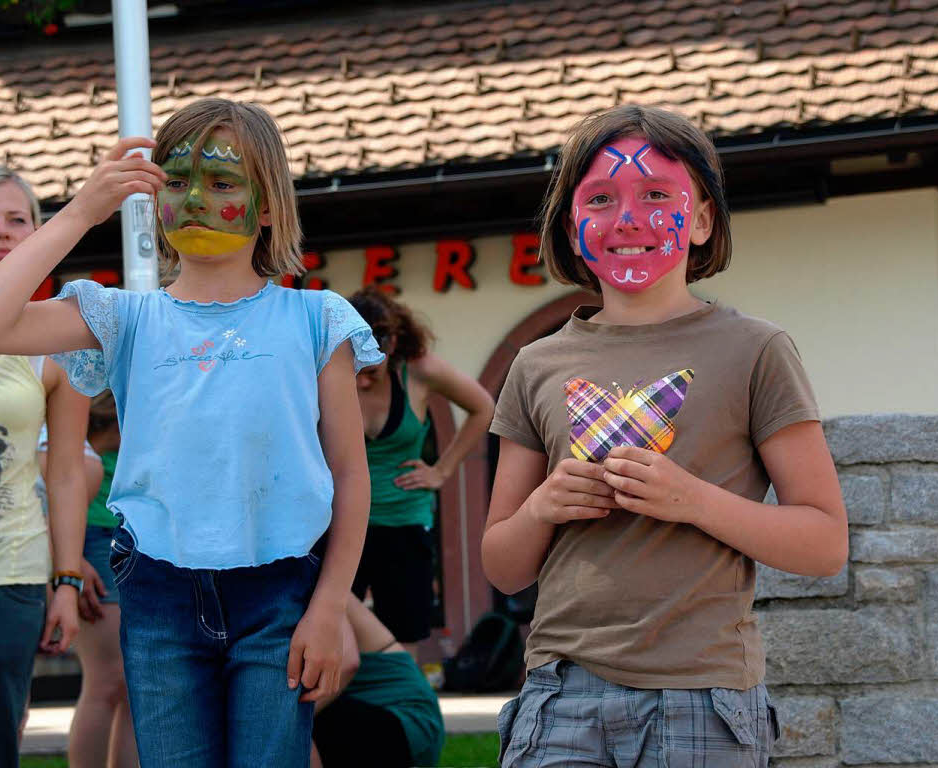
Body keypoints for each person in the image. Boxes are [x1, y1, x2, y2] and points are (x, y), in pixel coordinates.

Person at [0, 98, 380, 768]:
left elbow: (351, 477)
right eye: (176, 182)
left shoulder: (315, 319)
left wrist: (330, 607)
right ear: (153, 200)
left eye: (221, 182)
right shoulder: (123, 316)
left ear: (267, 205)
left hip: (281, 594)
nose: (194, 200)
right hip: (156, 595)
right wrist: (81, 211)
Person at [481, 105, 849, 767]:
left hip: (703, 696)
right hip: (560, 693)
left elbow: (825, 543)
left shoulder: (756, 349)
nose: (627, 217)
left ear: (703, 220)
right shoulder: (536, 364)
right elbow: (502, 566)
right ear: (572, 226)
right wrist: (543, 506)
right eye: (600, 198)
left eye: (656, 195)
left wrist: (694, 501)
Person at [0, 164, 89, 768]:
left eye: (17, 220)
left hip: (5, 574)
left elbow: (64, 473)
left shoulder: (62, 335)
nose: (2, 233)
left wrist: (66, 579)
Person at [348, 287, 494, 659]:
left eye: (372, 372)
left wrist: (442, 471)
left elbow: (483, 407)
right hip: (343, 524)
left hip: (403, 521)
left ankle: (407, 714)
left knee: (403, 636)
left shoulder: (420, 371)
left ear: (392, 344)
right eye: (356, 370)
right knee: (336, 631)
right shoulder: (330, 369)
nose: (362, 381)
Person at [38, 391, 137, 768]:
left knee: (134, 687)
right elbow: (48, 474)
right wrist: (70, 556)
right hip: (91, 538)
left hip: (140, 538)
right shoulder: (74, 378)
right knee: (108, 681)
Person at [311, 594, 445, 768]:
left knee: (297, 718)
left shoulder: (318, 580)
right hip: (366, 707)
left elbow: (347, 664)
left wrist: (285, 718)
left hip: (407, 717)